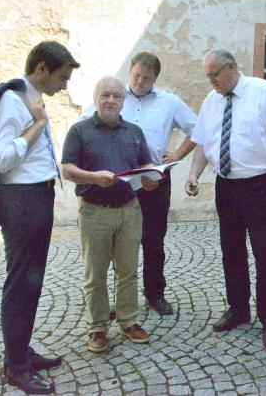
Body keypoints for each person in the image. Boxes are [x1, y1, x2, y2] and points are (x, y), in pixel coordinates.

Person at [0, 40, 78, 394]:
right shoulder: (14, 102)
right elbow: (2, 159)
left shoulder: (28, 98)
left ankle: (21, 351)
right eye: (61, 78)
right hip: (22, 201)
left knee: (31, 283)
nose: (64, 86)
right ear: (41, 68)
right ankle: (15, 366)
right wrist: (39, 123)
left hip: (35, 198)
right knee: (21, 284)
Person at [185, 49, 266, 348]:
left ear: (231, 67)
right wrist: (194, 174)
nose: (211, 80)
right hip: (225, 186)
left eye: (215, 74)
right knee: (231, 250)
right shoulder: (210, 101)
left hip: (259, 186)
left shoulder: (262, 91)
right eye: (207, 75)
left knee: (264, 253)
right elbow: (204, 141)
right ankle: (239, 309)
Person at [79, 52, 197, 315]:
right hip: (117, 183)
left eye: (146, 78)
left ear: (156, 78)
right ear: (129, 72)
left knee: (154, 241)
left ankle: (155, 294)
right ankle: (112, 301)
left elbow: (198, 129)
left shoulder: (170, 102)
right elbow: (84, 126)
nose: (140, 81)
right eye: (136, 76)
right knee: (113, 243)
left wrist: (177, 154)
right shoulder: (114, 97)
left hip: (154, 182)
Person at [63, 76, 159, 353]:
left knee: (128, 271)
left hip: (130, 210)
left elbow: (145, 164)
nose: (111, 101)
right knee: (95, 274)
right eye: (105, 95)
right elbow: (67, 169)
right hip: (95, 212)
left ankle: (128, 321)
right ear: (95, 99)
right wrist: (93, 177)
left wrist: (152, 176)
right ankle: (97, 327)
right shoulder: (79, 131)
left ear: (123, 101)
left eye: (117, 96)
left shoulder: (134, 132)